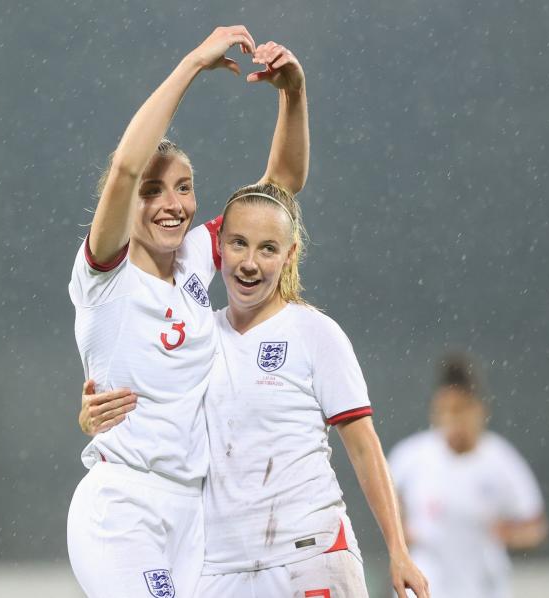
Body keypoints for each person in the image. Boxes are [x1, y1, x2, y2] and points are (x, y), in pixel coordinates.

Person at [81, 184, 429, 597]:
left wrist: (398, 550)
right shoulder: (196, 337)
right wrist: (91, 415)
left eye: (267, 249)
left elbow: (362, 446)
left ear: (289, 255)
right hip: (218, 570)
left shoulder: (315, 333)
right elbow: (150, 411)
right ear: (219, 250)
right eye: (238, 244)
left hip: (309, 555)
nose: (249, 263)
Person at [66, 26, 309, 598]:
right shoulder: (107, 275)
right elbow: (126, 166)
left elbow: (280, 191)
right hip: (125, 506)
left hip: (197, 513)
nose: (173, 205)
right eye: (154, 191)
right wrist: (193, 66)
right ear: (128, 204)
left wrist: (293, 94)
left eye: (183, 188)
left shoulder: (199, 257)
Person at [387, 354, 548, 598]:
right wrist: (399, 532)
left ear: (478, 409)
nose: (452, 420)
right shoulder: (410, 457)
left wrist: (510, 534)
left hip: (483, 587)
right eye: (444, 411)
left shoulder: (501, 461)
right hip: (428, 585)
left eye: (459, 410)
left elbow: (535, 526)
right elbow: (386, 500)